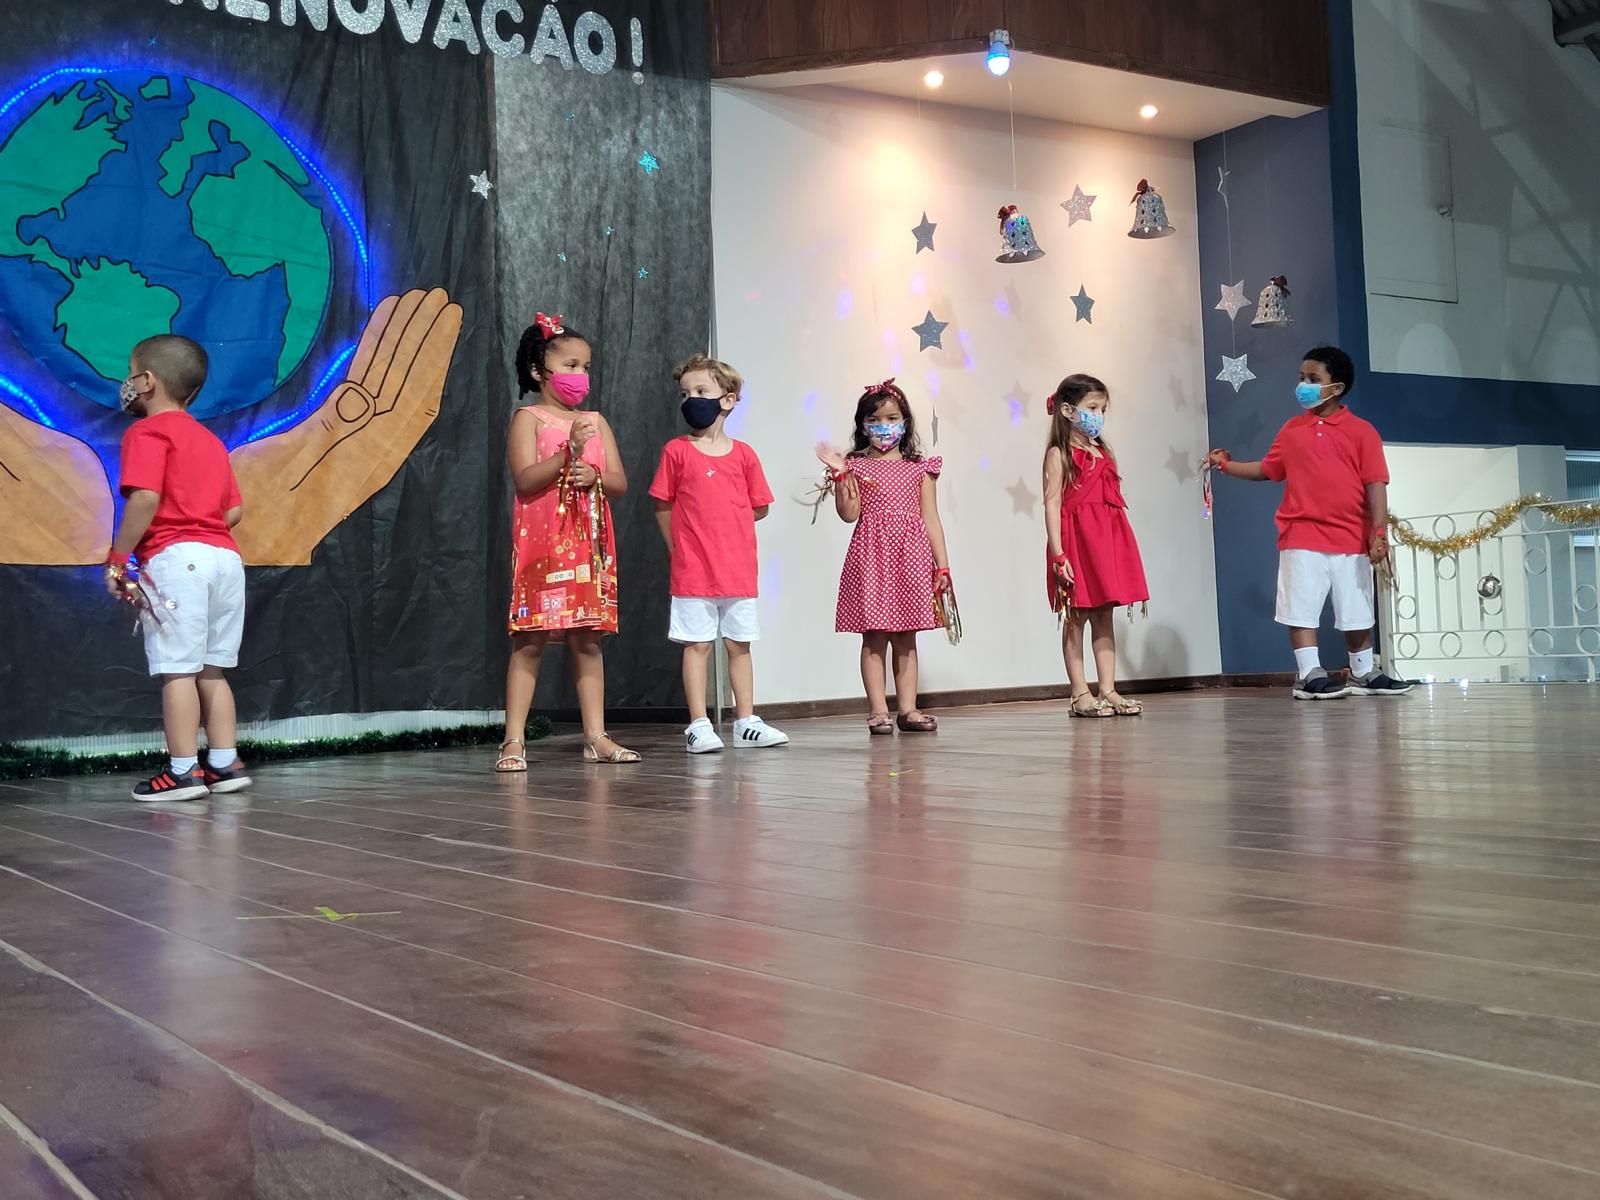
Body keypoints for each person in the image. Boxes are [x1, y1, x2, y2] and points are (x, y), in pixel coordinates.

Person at [1207, 345, 1412, 700]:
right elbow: (1267, 469)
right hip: (1300, 534)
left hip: (1350, 537)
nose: (1303, 385)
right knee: (1300, 606)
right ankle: (1308, 674)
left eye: (1313, 379)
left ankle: (1363, 671)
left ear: (1337, 387)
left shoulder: (1362, 432)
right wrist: (1225, 465)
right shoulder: (1292, 430)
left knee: (1356, 608)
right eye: (1302, 377)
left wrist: (1378, 533)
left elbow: (1376, 484)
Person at [104, 335, 251, 801]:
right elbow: (233, 511)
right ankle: (224, 764)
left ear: (147, 381)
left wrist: (119, 558)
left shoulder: (147, 433)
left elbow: (145, 497)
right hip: (226, 561)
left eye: (131, 373)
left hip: (178, 561)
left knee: (178, 671)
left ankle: (183, 771)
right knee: (212, 669)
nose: (127, 383)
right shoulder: (210, 441)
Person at [499, 313, 639, 769]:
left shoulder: (595, 421)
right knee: (530, 640)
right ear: (539, 370)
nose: (581, 375)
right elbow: (524, 479)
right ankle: (513, 739)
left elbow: (618, 481)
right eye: (571, 365)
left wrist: (593, 473)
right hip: (542, 548)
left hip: (588, 548)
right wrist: (567, 454)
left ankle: (596, 736)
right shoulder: (529, 419)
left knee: (587, 640)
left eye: (586, 367)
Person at [650, 354, 788, 753]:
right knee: (696, 645)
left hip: (738, 570)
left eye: (701, 391)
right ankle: (698, 724)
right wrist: (678, 548)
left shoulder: (744, 455)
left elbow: (759, 506)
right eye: (685, 393)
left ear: (727, 400)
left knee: (740, 644)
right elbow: (662, 504)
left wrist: (729, 523)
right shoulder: (676, 451)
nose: (691, 400)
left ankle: (746, 721)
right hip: (693, 571)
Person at [817, 378, 952, 735]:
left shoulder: (920, 467)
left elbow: (931, 518)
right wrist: (839, 475)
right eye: (875, 420)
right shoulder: (856, 466)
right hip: (872, 558)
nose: (884, 427)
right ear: (863, 425)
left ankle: (908, 709)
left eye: (892, 419)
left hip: (911, 558)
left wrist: (942, 565)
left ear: (905, 422)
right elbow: (849, 514)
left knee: (907, 637)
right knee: (874, 636)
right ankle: (878, 711)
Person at [1042, 374, 1149, 718]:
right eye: (1092, 408)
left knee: (1104, 616)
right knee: (1075, 617)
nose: (1098, 415)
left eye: (1102, 409)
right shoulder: (1059, 454)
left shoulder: (1103, 451)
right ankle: (1079, 693)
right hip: (1076, 544)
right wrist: (1059, 554)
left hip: (1105, 544)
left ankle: (1108, 689)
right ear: (1068, 410)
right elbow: (1052, 504)